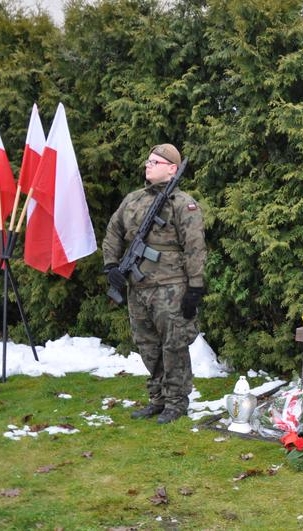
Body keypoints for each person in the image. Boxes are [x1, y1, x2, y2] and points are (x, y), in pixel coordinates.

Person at [103, 144, 207, 424]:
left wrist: (195, 287)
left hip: (171, 288)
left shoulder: (183, 203)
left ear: (172, 168)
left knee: (173, 346)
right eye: (148, 161)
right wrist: (112, 266)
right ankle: (158, 399)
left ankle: (176, 402)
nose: (148, 165)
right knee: (147, 345)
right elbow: (114, 231)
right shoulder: (133, 200)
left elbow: (195, 247)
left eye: (155, 162)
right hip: (138, 288)